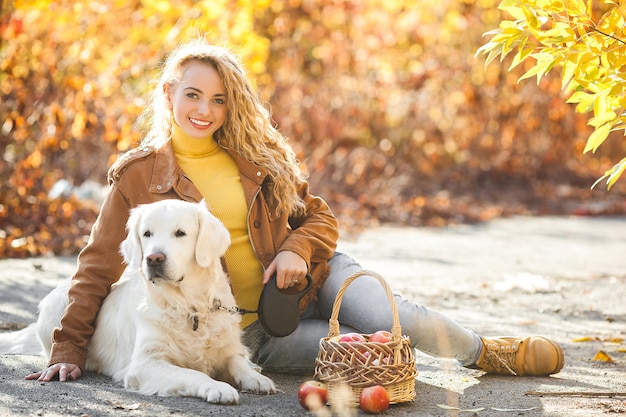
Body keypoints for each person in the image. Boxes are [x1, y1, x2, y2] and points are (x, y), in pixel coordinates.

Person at [27, 38, 563, 383]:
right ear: (169, 95)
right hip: (251, 330)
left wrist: (293, 249)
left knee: (390, 316)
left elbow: (321, 219)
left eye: (218, 101)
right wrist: (67, 347)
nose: (204, 111)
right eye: (192, 95)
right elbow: (98, 265)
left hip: (318, 279)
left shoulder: (256, 158)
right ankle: (425, 357)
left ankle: (489, 352)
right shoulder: (139, 176)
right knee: (371, 355)